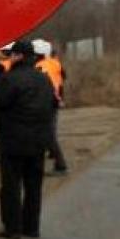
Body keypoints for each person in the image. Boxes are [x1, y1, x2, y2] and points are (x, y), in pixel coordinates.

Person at [0, 40, 56, 239]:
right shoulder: (43, 79)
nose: (10, 58)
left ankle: (13, 228)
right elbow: (52, 104)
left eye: (12, 54)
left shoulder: (10, 79)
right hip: (39, 140)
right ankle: (32, 227)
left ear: (18, 56)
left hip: (14, 140)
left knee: (11, 186)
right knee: (34, 185)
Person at [34, 40, 69, 175]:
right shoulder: (55, 63)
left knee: (47, 133)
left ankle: (60, 164)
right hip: (55, 99)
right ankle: (52, 155)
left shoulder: (39, 66)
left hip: (45, 101)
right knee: (50, 130)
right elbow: (63, 77)